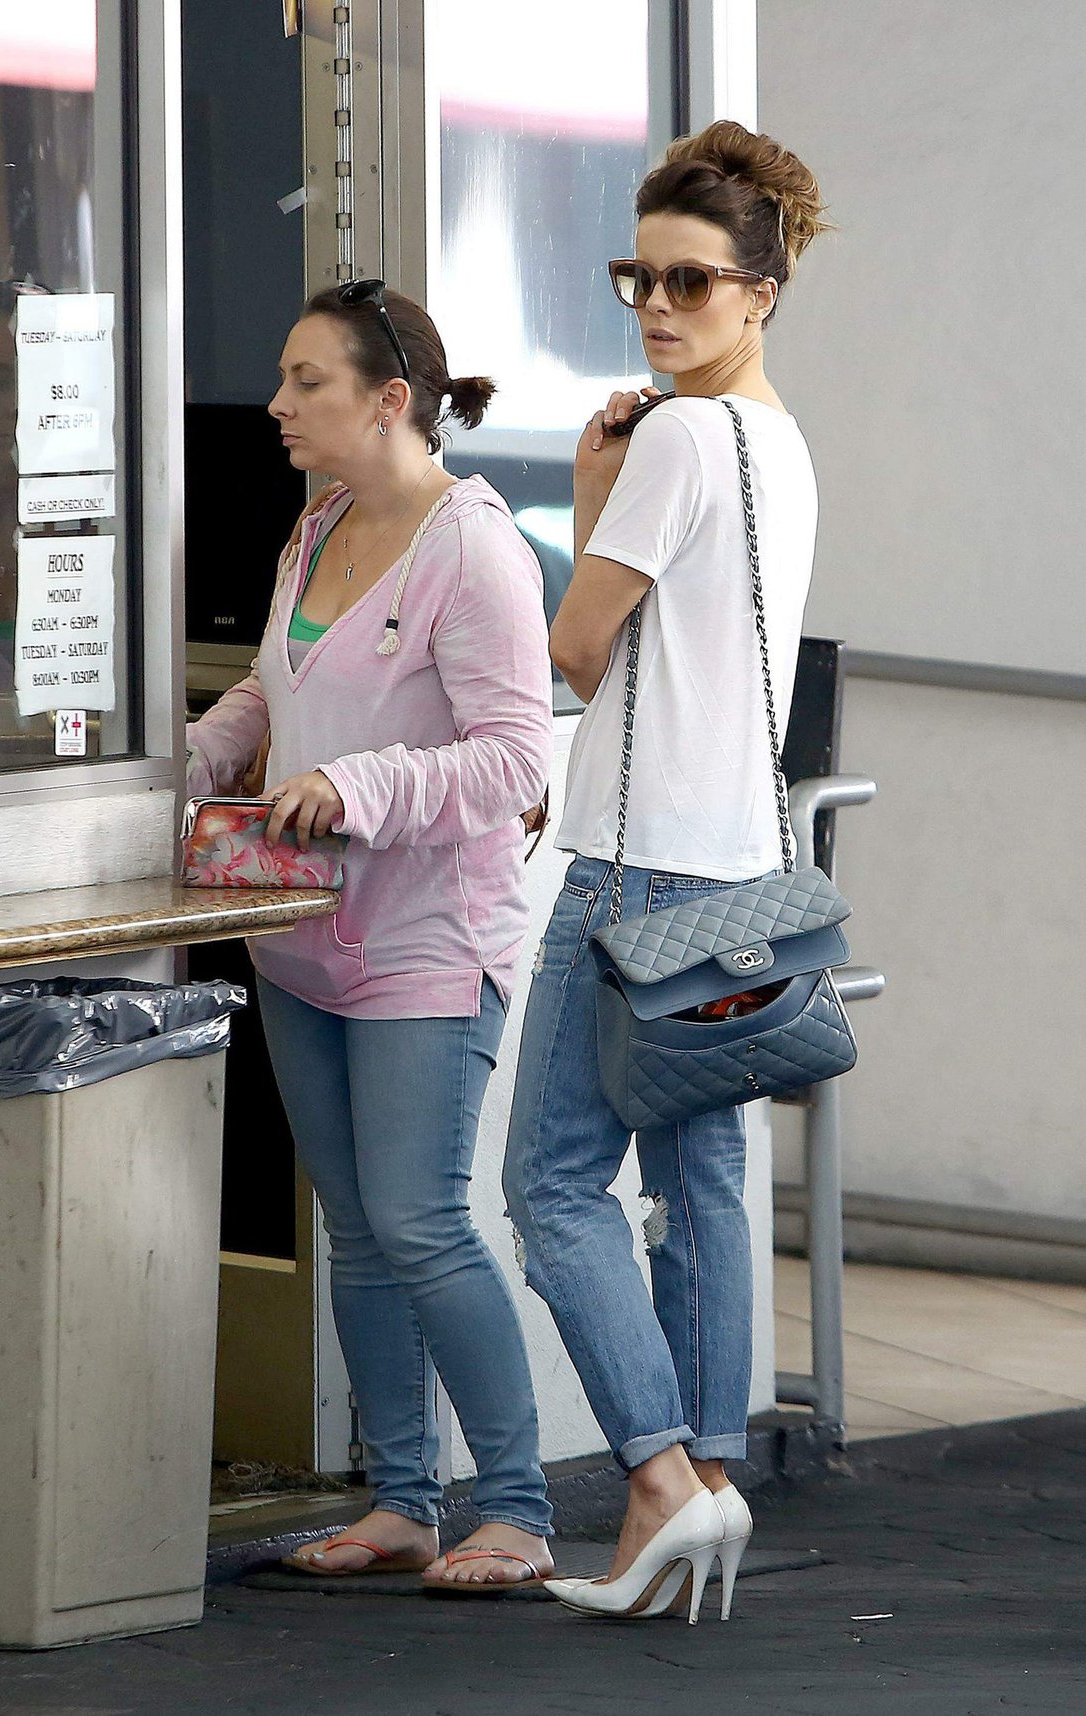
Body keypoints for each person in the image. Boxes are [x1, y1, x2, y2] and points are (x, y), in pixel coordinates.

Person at [502, 120, 830, 1622]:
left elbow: (580, 651)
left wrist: (587, 492)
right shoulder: (778, 439)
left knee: (553, 1182)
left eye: (691, 281)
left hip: (635, 873)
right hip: (742, 873)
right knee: (698, 1188)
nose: (656, 304)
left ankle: (657, 1480)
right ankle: (708, 1471)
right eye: (639, 273)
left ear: (760, 291)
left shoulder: (680, 438)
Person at [186, 281, 556, 1590]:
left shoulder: (475, 548)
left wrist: (363, 786)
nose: (277, 406)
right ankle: (401, 1501)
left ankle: (512, 1509)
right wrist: (201, 751)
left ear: (390, 401)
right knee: (354, 1223)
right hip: (296, 937)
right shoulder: (319, 519)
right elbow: (272, 680)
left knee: (421, 1222)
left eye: (307, 383)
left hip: (428, 943)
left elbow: (514, 758)